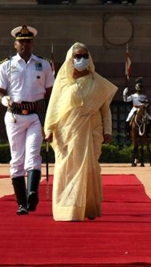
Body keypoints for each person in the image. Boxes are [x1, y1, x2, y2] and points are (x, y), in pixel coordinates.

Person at [44, 43, 117, 221]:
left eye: (84, 56)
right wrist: (49, 129)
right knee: (66, 169)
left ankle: (87, 208)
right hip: (66, 132)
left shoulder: (98, 83)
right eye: (77, 56)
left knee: (89, 168)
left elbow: (105, 109)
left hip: (92, 131)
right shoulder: (62, 82)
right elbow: (53, 108)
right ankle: (67, 210)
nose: (81, 59)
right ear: (71, 59)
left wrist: (108, 130)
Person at [0, 25, 55, 216]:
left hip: (35, 115)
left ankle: (32, 193)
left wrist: (50, 117)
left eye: (28, 41)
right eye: (21, 42)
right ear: (15, 44)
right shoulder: (6, 65)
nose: (24, 45)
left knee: (33, 155)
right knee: (17, 158)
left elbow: (50, 93)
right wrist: (3, 99)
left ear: (33, 43)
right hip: (14, 116)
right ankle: (21, 203)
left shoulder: (43, 65)